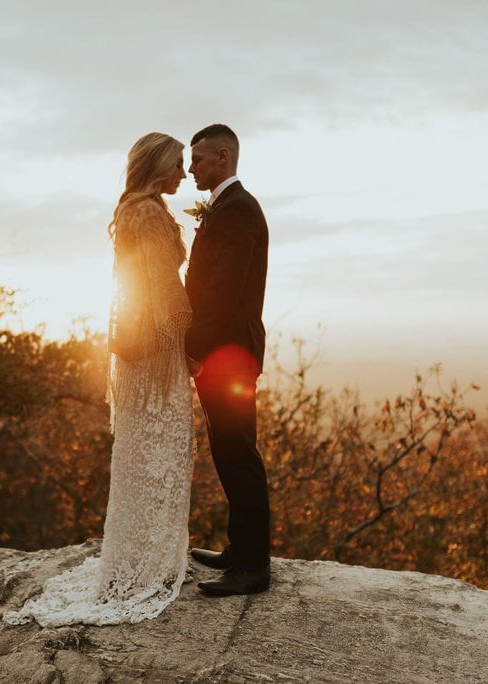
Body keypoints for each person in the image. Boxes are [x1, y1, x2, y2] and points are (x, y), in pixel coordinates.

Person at [4, 132, 195, 626]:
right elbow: (162, 285)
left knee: (140, 453)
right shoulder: (149, 212)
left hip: (137, 345)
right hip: (156, 351)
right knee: (160, 453)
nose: (184, 173)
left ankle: (136, 556)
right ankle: (147, 564)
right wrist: (189, 339)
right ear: (156, 167)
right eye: (176, 165)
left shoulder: (131, 206)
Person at [184, 123, 271, 596]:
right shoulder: (227, 207)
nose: (190, 167)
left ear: (223, 157)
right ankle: (242, 548)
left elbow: (223, 291)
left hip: (229, 354)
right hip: (225, 351)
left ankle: (254, 566)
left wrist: (194, 347)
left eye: (197, 159)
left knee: (239, 454)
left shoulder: (237, 210)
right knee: (229, 450)